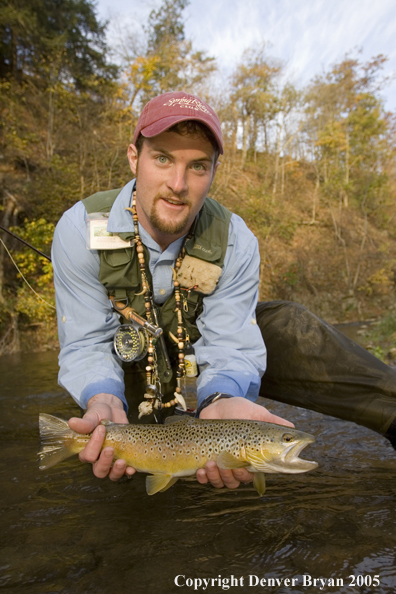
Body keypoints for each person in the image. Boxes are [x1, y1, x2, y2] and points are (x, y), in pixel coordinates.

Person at [52, 91, 396, 491]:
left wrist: (221, 400)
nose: (177, 184)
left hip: (203, 362)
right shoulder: (80, 229)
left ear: (215, 171)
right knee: (114, 487)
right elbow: (86, 340)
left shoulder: (236, 240)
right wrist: (101, 399)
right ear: (134, 158)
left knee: (288, 324)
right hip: (129, 375)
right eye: (162, 158)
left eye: (197, 166)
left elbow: (231, 341)